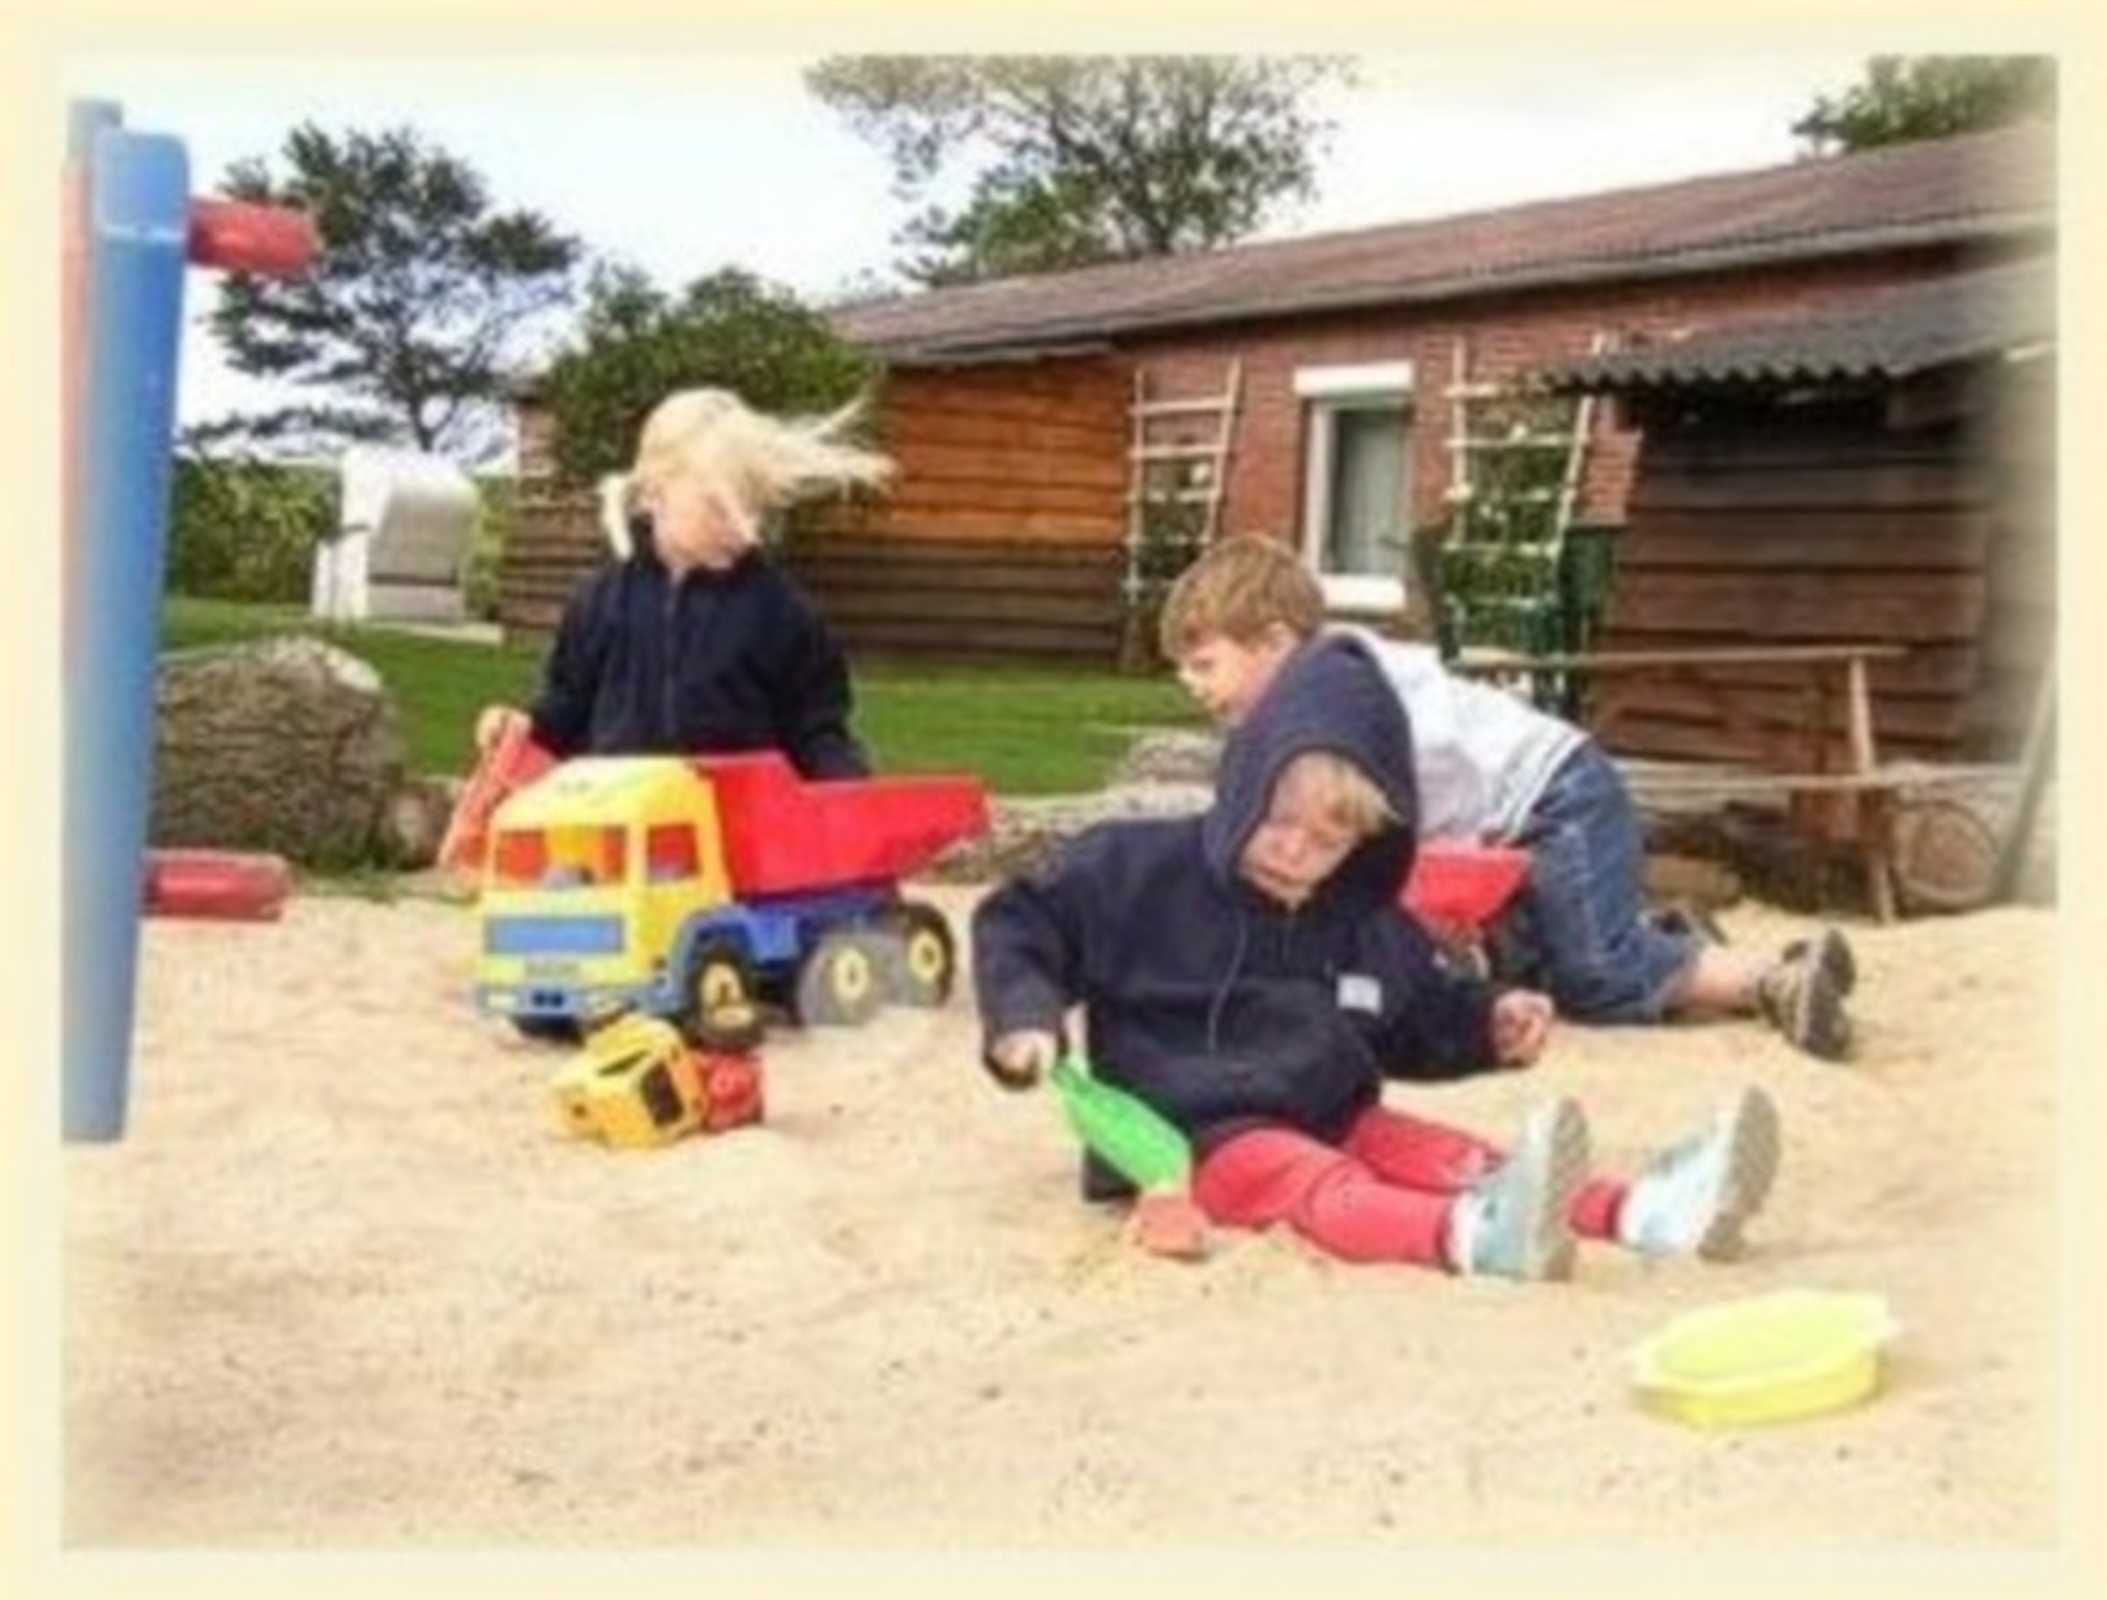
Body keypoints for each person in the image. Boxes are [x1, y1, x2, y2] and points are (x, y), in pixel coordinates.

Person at [971, 633, 1781, 1278]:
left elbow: (1414, 1013)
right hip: (1192, 1138)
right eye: (1278, 820)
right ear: (1244, 783)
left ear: (1363, 844)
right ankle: (1471, 1238)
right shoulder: (1134, 869)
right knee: (1321, 1187)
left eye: (1328, 839)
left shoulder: (1362, 918)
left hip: (1335, 1113)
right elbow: (1022, 922)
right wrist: (1024, 1018)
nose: (1295, 851)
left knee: (1460, 1157)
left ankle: (1640, 1211)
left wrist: (1486, 1023)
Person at [1156, 535, 1858, 1061]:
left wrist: (1420, 878)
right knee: (1534, 958)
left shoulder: (1349, 696)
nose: (1191, 684)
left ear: (1275, 643)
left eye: (1204, 663)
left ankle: (1771, 981)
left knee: (1596, 978)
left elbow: (1415, 786)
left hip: (1556, 794)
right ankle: (1668, 937)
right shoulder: (1318, 696)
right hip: (1520, 810)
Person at [474, 387, 891, 779]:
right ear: (654, 493)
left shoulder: (782, 613)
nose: (743, 528)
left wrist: (852, 793)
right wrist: (521, 729)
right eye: (718, 507)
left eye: (753, 507)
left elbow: (816, 730)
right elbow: (563, 714)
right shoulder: (600, 603)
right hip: (621, 818)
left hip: (735, 822)